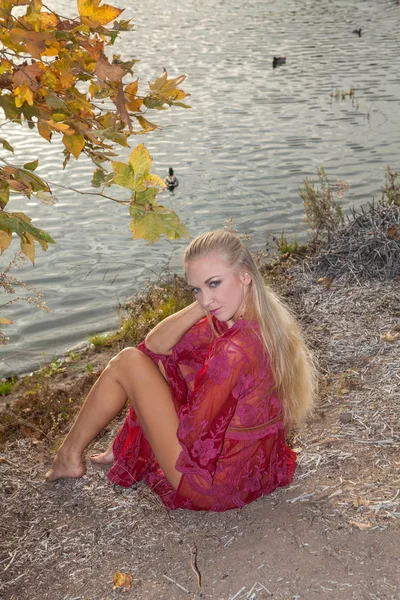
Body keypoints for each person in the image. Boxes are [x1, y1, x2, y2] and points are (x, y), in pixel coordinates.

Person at [46, 229, 316, 512]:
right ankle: (115, 448)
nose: (206, 298)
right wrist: (206, 303)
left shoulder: (234, 348)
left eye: (214, 283)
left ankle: (68, 456)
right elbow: (155, 345)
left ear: (245, 275)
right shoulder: (264, 321)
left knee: (127, 362)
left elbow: (195, 435)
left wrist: (155, 413)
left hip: (214, 485)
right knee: (154, 362)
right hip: (256, 471)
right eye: (196, 289)